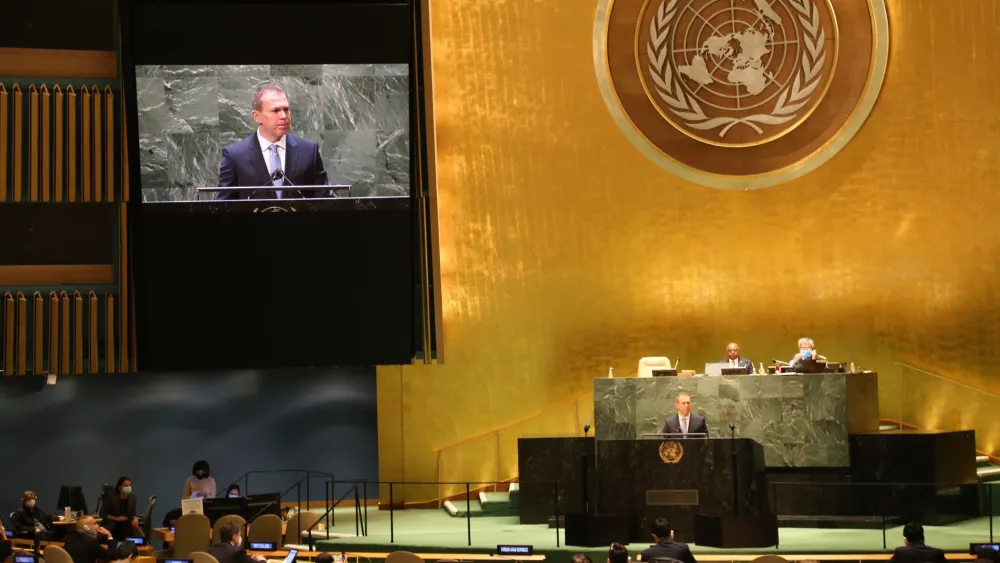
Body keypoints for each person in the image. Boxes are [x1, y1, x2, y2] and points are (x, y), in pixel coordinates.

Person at [216, 83, 329, 200]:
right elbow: (221, 205)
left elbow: (324, 200)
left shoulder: (309, 151)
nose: (284, 116)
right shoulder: (235, 155)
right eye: (275, 110)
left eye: (286, 109)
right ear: (257, 116)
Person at [100, 477, 139, 541]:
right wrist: (116, 518)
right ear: (119, 487)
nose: (128, 487)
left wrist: (135, 518)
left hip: (128, 529)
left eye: (130, 485)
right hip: (113, 529)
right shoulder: (111, 498)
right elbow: (102, 514)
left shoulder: (133, 498)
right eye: (125, 485)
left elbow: (133, 513)